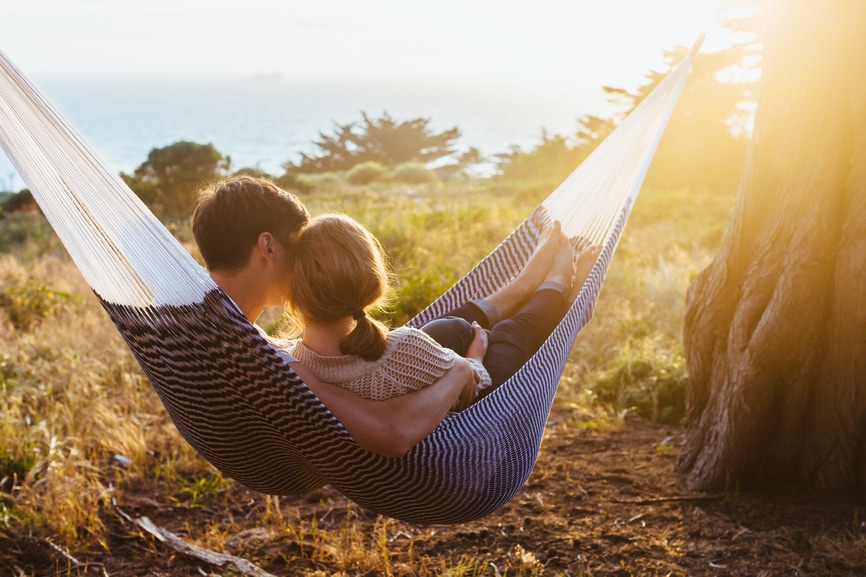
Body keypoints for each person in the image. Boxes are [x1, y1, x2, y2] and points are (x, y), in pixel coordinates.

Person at [192, 175, 477, 457]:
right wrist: (462, 370)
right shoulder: (265, 361)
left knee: (448, 329)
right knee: (455, 332)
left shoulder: (180, 322)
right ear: (268, 247)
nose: (305, 266)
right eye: (299, 248)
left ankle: (507, 298)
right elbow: (392, 434)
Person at [279, 212, 599, 406]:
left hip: (411, 374)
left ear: (291, 292)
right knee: (506, 333)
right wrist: (475, 356)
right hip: (469, 422)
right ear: (371, 282)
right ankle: (562, 291)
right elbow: (474, 385)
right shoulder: (406, 350)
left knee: (447, 328)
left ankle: (525, 286)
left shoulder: (288, 362)